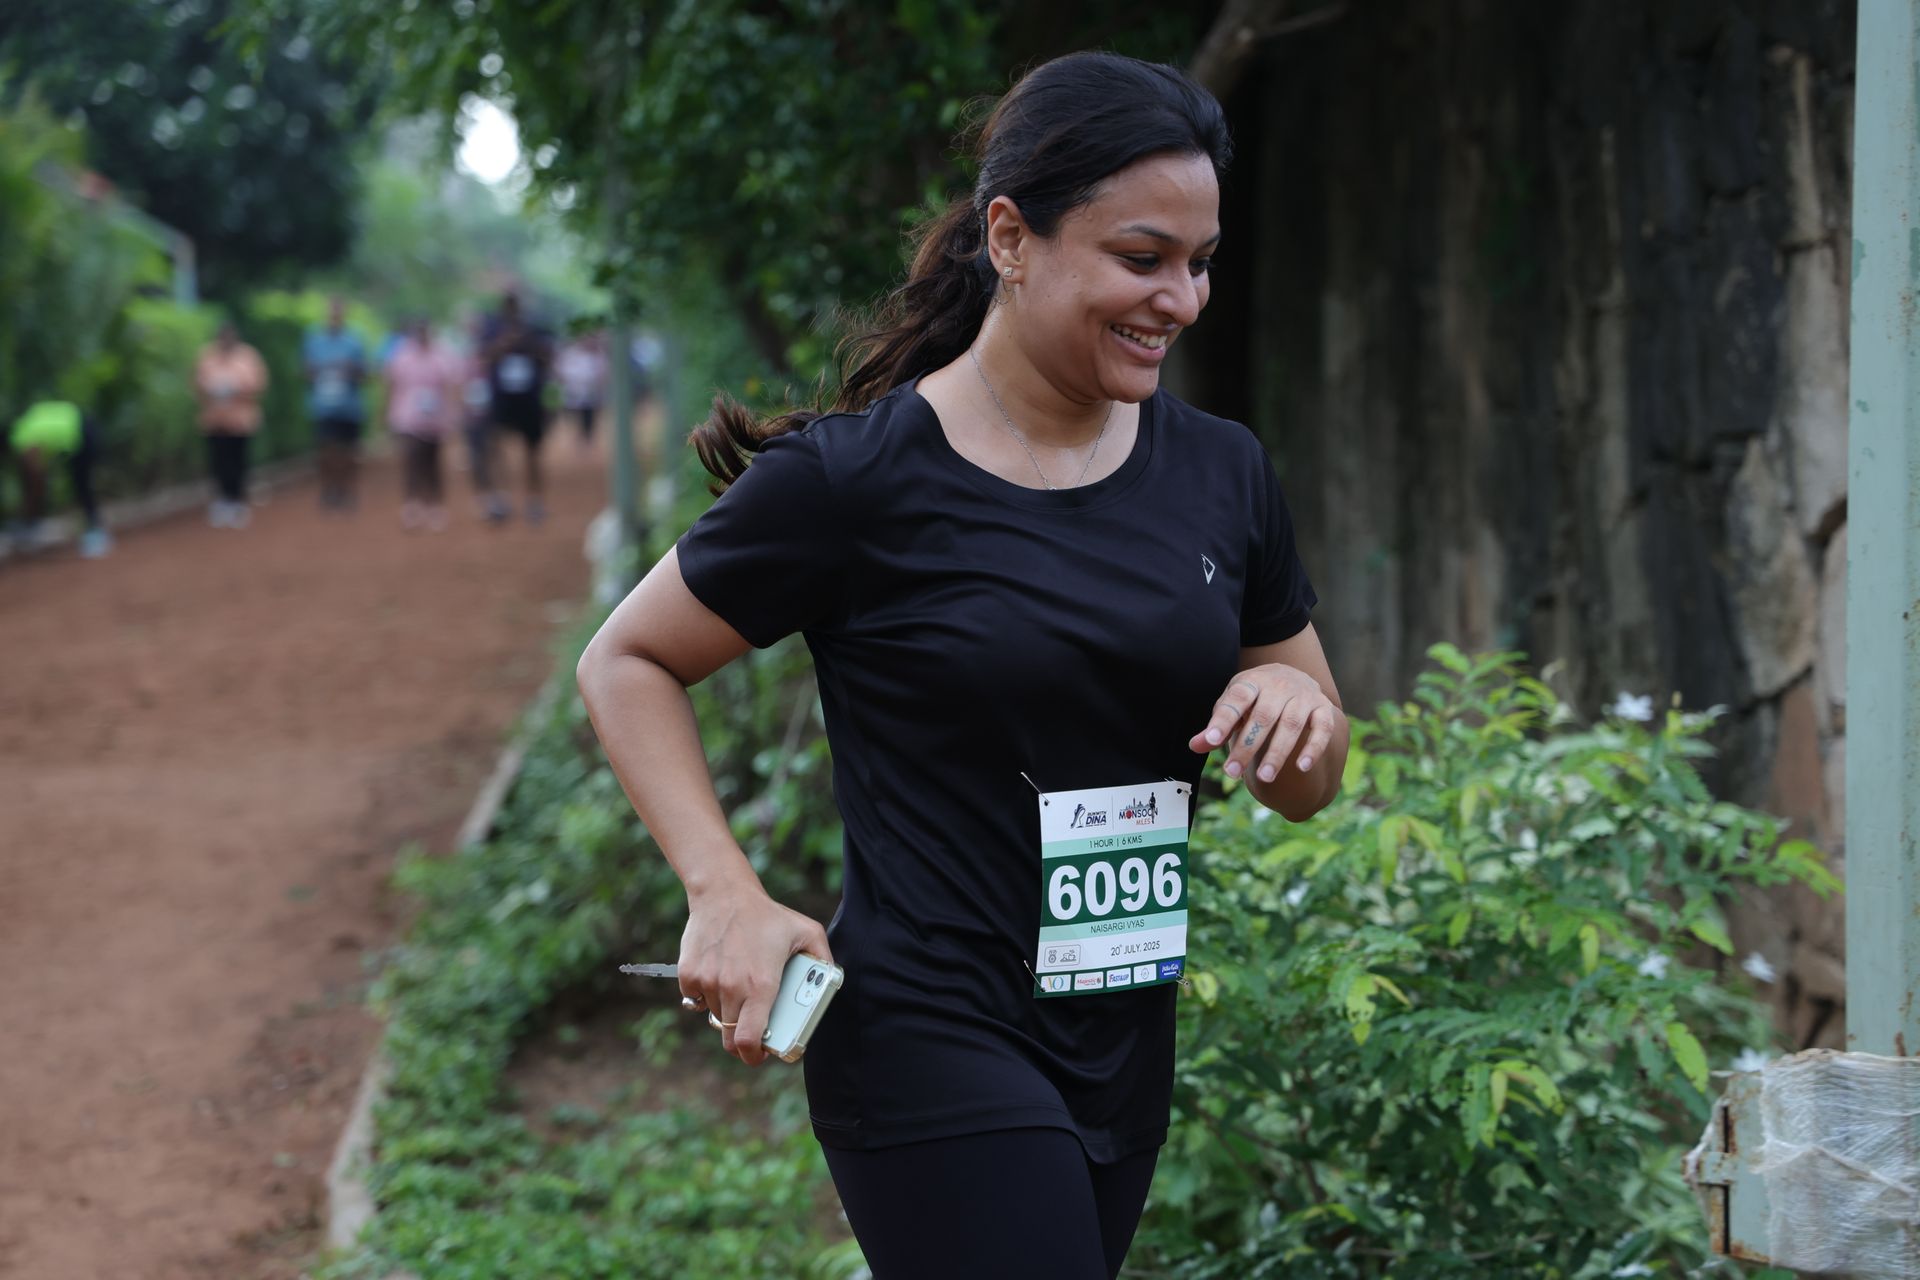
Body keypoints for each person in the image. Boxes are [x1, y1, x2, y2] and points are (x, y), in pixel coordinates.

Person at [575, 52, 1349, 1279]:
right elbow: (627, 657)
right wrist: (722, 887)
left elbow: (1314, 773)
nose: (1183, 298)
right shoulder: (860, 482)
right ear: (1011, 236)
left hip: (1123, 1033)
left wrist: (1296, 706)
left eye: (1199, 263)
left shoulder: (1222, 472)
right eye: (1142, 258)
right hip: (928, 1035)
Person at [480, 292, 554, 523]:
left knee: (532, 452)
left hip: (529, 401)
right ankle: (500, 500)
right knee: (496, 449)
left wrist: (527, 343)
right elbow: (483, 356)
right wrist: (505, 343)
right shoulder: (493, 329)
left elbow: (548, 355)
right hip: (502, 401)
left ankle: (534, 501)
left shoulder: (533, 329)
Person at [383, 320, 463, 531]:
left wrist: (452, 416)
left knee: (432, 463)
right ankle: (412, 507)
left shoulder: (442, 355)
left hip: (435, 420)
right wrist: (388, 415)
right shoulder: (402, 356)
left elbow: (451, 386)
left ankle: (435, 507)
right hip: (408, 419)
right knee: (411, 462)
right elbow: (392, 384)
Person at [7, 398, 110, 557]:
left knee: (82, 485)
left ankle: (96, 534)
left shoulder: (21, 438)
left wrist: (28, 511)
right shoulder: (25, 424)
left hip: (82, 434)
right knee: (80, 484)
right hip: (84, 425)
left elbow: (36, 477)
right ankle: (93, 531)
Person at [194, 321, 269, 529]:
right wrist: (212, 391)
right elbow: (197, 384)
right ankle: (222, 501)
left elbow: (258, 385)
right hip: (215, 421)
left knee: (238, 463)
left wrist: (236, 390)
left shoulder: (248, 357)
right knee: (218, 463)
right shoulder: (207, 356)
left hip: (240, 422)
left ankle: (237, 501)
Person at [303, 296, 369, 511]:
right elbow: (305, 371)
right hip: (323, 406)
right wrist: (319, 371)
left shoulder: (354, 340)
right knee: (326, 450)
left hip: (349, 407)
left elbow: (365, 374)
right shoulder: (314, 340)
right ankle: (329, 491)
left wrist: (350, 370)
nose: (335, 317)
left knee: (348, 452)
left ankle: (347, 491)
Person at [555, 330, 608, 452]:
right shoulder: (570, 354)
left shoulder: (597, 356)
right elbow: (560, 371)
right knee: (574, 417)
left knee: (588, 418)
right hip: (572, 393)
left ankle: (586, 440)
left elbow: (603, 375)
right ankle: (577, 438)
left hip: (589, 393)